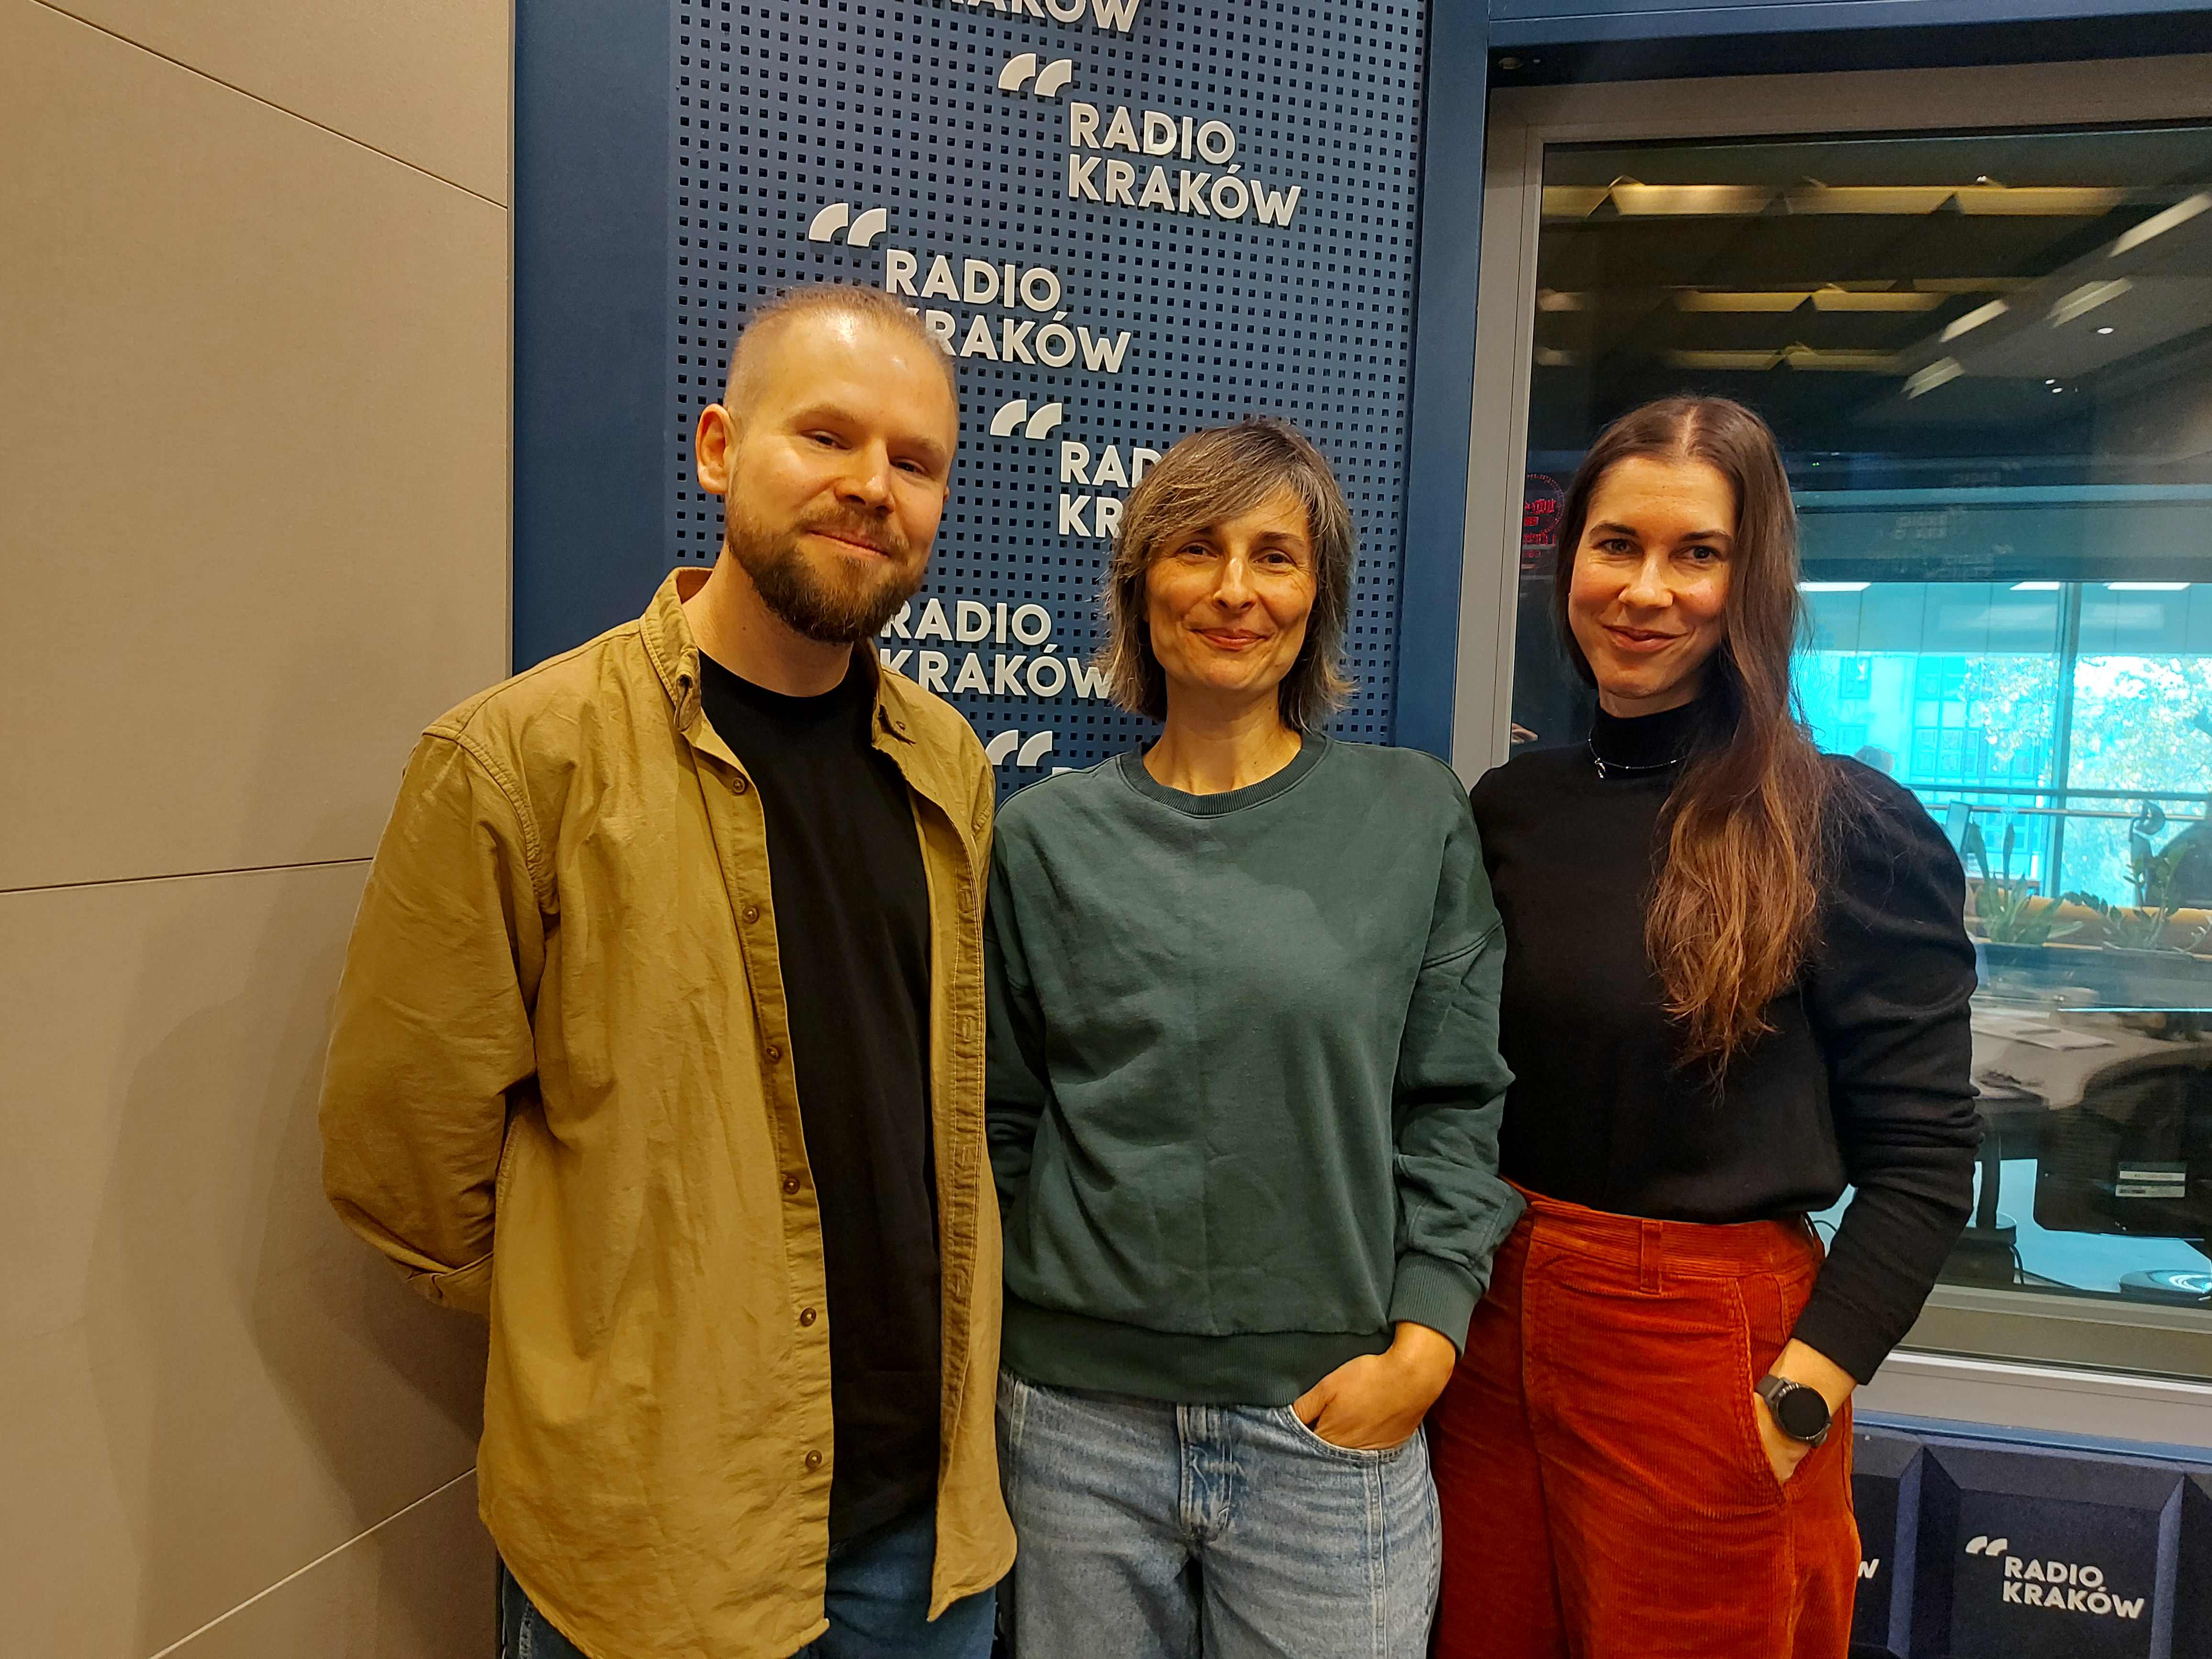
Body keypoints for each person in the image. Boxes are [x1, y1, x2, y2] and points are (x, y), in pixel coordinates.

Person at [318, 284, 1011, 1659]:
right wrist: (610, 1326)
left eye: (914, 460)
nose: (872, 487)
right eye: (826, 436)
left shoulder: (949, 763)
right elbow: (402, 1160)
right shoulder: (520, 761)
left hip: (925, 1554)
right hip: (655, 1559)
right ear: (717, 449)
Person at [1428, 396, 1980, 1658]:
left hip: (1710, 1352)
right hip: (1497, 1319)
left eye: (1697, 554)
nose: (1646, 589)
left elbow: (1928, 1159)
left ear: (1754, 580)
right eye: (1617, 545)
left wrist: (1796, 1399)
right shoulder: (1510, 809)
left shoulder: (1842, 827)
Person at [984, 418, 1521, 1658]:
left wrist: (1429, 1336)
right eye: (1196, 548)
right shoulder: (1044, 838)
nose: (1235, 589)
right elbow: (1004, 1120)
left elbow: (1456, 1098)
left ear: (1317, 591)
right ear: (1139, 585)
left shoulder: (1409, 817)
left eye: (1275, 555)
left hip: (1332, 1419)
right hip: (1078, 1431)